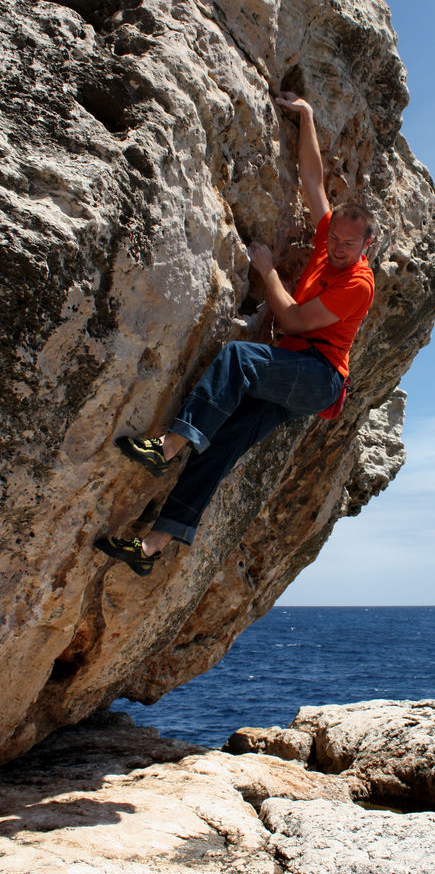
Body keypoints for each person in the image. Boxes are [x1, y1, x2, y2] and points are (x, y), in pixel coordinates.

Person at [95, 92, 375, 576]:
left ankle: (166, 449)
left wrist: (267, 272)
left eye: (350, 245)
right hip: (295, 373)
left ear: (367, 244)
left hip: (320, 376)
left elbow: (291, 321)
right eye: (333, 240)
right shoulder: (330, 235)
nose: (338, 248)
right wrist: (307, 115)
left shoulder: (359, 283)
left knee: (239, 360)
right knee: (223, 444)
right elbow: (312, 178)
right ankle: (151, 549)